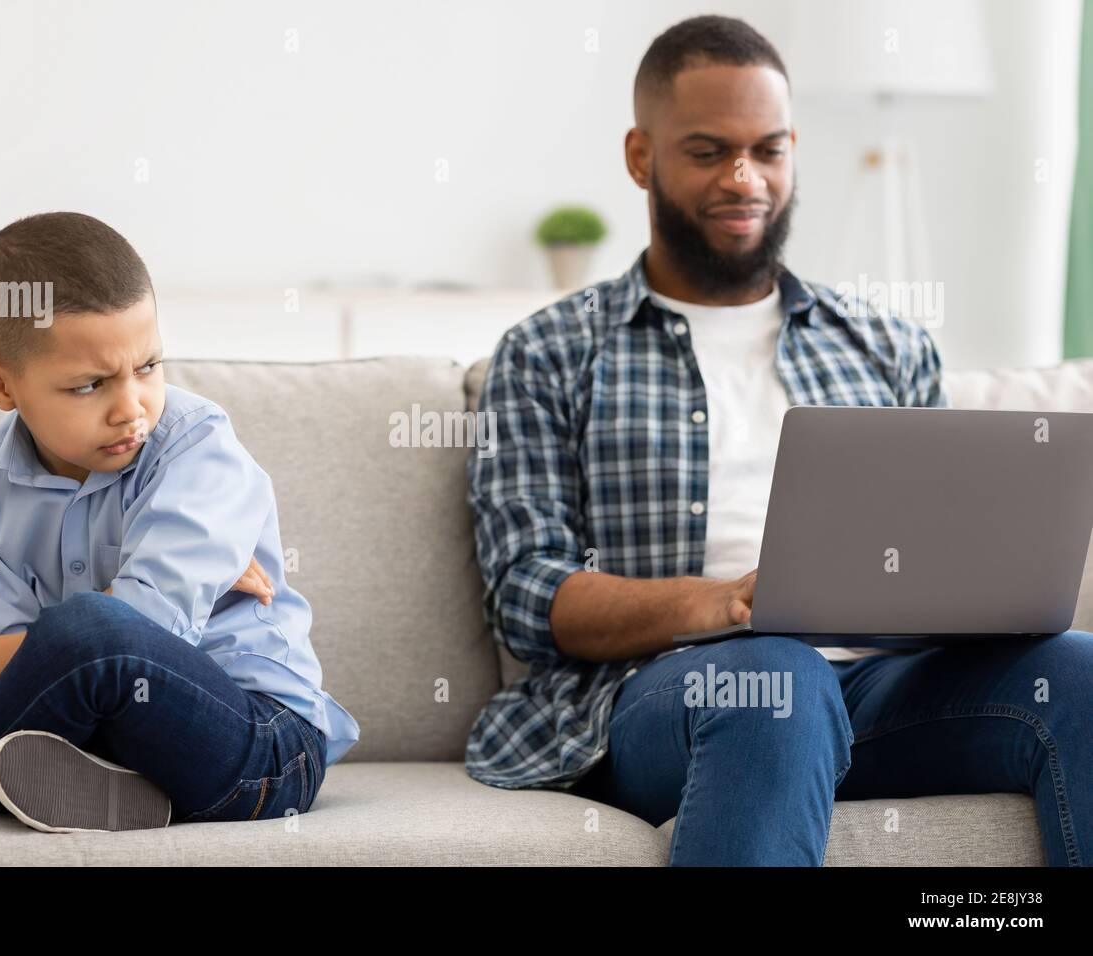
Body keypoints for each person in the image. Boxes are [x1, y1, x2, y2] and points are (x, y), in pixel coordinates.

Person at [464, 15, 1093, 865]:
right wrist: (723, 604)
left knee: (1082, 673)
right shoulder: (549, 353)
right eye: (707, 150)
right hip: (666, 695)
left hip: (881, 688)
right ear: (640, 156)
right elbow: (527, 591)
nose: (744, 178)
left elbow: (946, 550)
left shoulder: (888, 344)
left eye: (768, 149)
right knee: (773, 679)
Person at [0, 211, 359, 831]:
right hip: (87, 725)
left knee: (90, 629)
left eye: (148, 367)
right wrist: (11, 657)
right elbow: (35, 673)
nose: (131, 409)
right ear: (0, 387)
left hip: (256, 742)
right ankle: (84, 780)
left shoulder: (197, 447)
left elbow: (131, 631)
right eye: (90, 385)